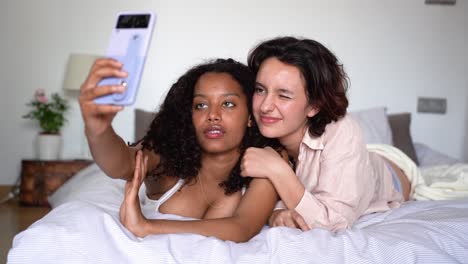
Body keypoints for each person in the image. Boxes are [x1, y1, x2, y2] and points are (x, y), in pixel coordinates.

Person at [79, 58, 283, 242]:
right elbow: (123, 165)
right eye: (201, 105)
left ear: (250, 116)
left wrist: (147, 226)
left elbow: (243, 227)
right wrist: (98, 129)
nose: (213, 115)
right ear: (189, 115)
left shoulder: (266, 160)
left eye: (228, 104)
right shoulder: (169, 152)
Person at [240, 36, 412, 232]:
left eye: (283, 95)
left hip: (390, 172)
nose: (265, 106)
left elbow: (334, 221)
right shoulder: (248, 125)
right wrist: (274, 214)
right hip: (349, 157)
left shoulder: (342, 130)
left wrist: (278, 170)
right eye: (260, 90)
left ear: (314, 105)